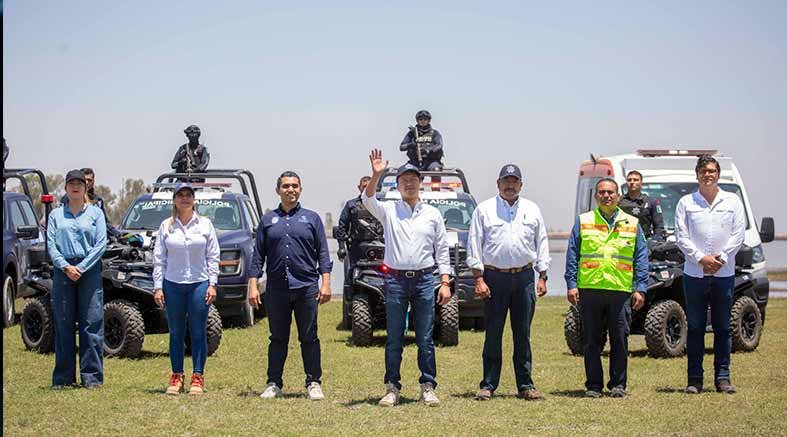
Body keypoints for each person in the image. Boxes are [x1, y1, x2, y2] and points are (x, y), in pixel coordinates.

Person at [363, 149, 451, 407]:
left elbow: (442, 250)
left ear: (420, 183)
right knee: (394, 337)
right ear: (398, 185)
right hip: (396, 282)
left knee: (425, 338)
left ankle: (428, 386)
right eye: (404, 180)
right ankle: (392, 388)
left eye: (414, 179)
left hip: (425, 280)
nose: (409, 183)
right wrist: (376, 174)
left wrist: (445, 282)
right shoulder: (388, 210)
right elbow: (367, 199)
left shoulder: (432, 214)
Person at [466, 164, 551, 401]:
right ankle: (488, 385)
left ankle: (525, 385)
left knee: (522, 333)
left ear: (521, 185)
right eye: (506, 181)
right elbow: (474, 245)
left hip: (524, 278)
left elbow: (541, 242)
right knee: (493, 333)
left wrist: (542, 276)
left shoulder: (532, 210)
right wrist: (478, 278)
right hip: (494, 278)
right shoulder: (484, 210)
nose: (510, 185)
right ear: (498, 183)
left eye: (514, 181)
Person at [248, 171, 333, 401]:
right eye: (286, 186)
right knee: (277, 338)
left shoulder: (311, 219)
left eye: (295, 186)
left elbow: (323, 255)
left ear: (300, 189)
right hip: (277, 289)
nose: (291, 190)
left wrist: (325, 282)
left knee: (309, 337)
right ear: (278, 190)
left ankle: (313, 382)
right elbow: (257, 257)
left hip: (306, 287)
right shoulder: (267, 221)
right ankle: (274, 383)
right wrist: (253, 285)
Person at [564, 178, 648, 398]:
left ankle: (618, 385)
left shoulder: (632, 223)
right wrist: (572, 284)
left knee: (620, 339)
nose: (606, 196)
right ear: (596, 197)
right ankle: (593, 385)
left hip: (620, 291)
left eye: (611, 192)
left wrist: (640, 288)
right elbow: (573, 254)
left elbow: (641, 257)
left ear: (618, 196)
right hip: (590, 289)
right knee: (592, 340)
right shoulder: (583, 221)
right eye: (602, 192)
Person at [675, 155, 745, 394]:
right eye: (704, 171)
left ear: (718, 174)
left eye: (712, 171)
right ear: (697, 174)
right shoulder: (686, 203)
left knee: (723, 327)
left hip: (724, 274)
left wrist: (721, 258)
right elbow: (681, 236)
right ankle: (695, 379)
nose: (708, 175)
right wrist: (701, 258)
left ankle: (723, 378)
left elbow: (738, 235)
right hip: (694, 274)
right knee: (694, 327)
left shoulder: (732, 201)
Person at [152, 183, 219, 395]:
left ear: (194, 200)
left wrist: (212, 283)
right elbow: (159, 259)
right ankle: (176, 376)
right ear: (174, 200)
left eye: (188, 195)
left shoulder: (205, 224)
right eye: (180, 195)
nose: (184, 199)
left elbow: (213, 256)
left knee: (198, 332)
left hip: (199, 283)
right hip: (173, 284)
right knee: (176, 332)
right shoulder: (166, 226)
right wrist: (158, 287)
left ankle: (197, 376)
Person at [46, 169, 107, 389]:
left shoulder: (96, 214)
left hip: (88, 271)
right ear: (65, 188)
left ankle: (92, 378)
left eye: (79, 184)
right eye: (71, 183)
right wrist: (65, 266)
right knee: (64, 325)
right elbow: (51, 245)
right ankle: (63, 378)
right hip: (63, 272)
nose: (75, 187)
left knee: (91, 324)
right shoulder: (55, 215)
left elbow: (101, 244)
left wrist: (80, 268)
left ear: (85, 188)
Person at [335, 176, 384, 284]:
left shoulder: (383, 205)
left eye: (370, 187)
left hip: (381, 248)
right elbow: (342, 226)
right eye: (364, 186)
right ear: (359, 187)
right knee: (351, 278)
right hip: (357, 249)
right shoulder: (351, 205)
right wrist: (341, 247)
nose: (367, 189)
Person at [619, 170, 666, 241]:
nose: (632, 182)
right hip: (622, 240)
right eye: (629, 180)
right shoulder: (619, 201)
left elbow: (658, 225)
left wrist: (656, 241)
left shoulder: (651, 202)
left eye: (635, 180)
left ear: (641, 183)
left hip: (643, 241)